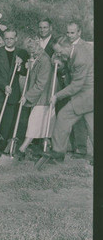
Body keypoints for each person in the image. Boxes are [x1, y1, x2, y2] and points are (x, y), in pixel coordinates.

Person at [43, 35, 93, 163]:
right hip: (86, 94)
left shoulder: (80, 59)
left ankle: (58, 153)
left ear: (67, 46)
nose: (58, 54)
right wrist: (59, 65)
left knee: (64, 116)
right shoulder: (72, 51)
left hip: (87, 95)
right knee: (93, 127)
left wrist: (56, 96)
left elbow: (76, 85)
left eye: (59, 52)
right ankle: (58, 153)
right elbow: (67, 65)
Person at [16, 35, 56, 160]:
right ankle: (48, 147)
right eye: (29, 49)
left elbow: (41, 84)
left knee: (35, 123)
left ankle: (22, 148)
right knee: (44, 125)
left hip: (44, 97)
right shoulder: (35, 58)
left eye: (33, 48)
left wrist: (26, 96)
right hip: (39, 97)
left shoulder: (44, 60)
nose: (31, 52)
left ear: (39, 46)